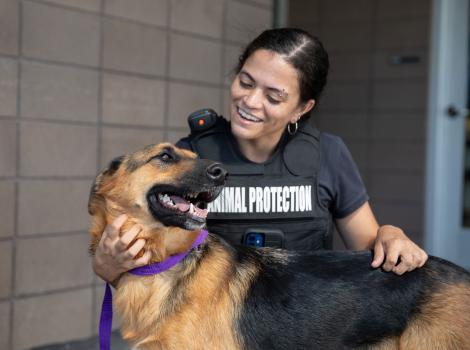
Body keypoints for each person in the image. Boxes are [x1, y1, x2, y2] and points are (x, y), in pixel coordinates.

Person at [92, 28, 428, 287]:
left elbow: (369, 251)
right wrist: (108, 263)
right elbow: (145, 265)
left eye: (273, 96)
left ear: (302, 108)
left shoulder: (329, 154)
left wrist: (391, 234)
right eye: (245, 82)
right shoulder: (189, 158)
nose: (250, 101)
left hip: (305, 326)